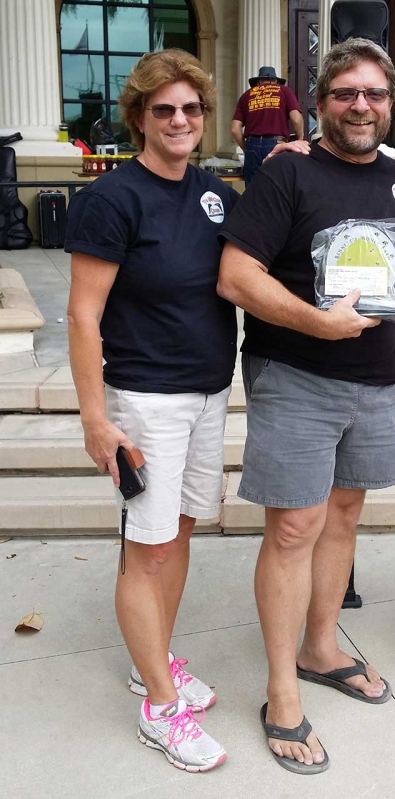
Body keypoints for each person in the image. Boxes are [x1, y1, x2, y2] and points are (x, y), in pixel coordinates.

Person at [218, 37, 395, 774]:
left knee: (342, 516)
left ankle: (321, 645)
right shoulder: (288, 174)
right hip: (295, 371)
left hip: (372, 377)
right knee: (295, 526)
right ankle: (280, 692)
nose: (360, 105)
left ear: (392, 105)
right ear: (321, 102)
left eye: (373, 93)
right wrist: (316, 320)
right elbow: (236, 276)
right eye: (345, 93)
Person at [65, 49, 238, 773]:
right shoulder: (112, 198)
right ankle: (160, 708)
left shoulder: (214, 191)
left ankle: (152, 661)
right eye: (163, 109)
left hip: (209, 393)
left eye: (191, 109)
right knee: (148, 548)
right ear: (139, 117)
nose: (178, 120)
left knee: (181, 530)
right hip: (145, 399)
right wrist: (96, 419)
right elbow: (81, 314)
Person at [231, 65, 304, 184]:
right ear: (275, 81)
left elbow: (235, 129)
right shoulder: (284, 91)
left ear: (258, 81)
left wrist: (247, 148)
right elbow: (296, 119)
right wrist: (300, 139)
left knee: (252, 189)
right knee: (277, 186)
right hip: (277, 144)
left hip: (252, 145)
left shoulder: (246, 95)